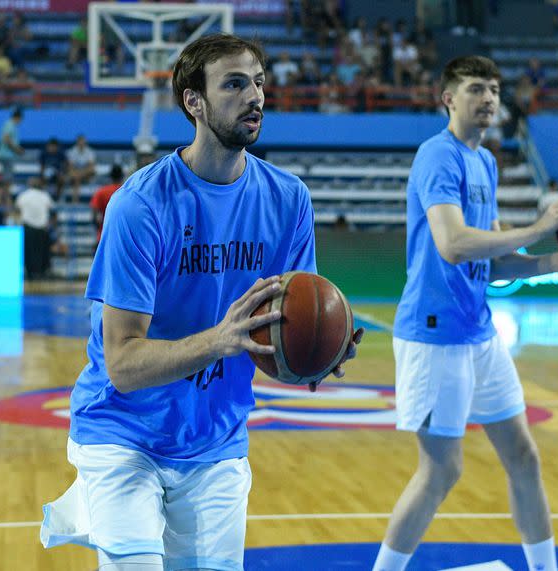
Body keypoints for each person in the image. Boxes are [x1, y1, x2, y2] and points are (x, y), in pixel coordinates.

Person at [40, 33, 362, 571]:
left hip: (216, 441)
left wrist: (316, 355)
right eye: (234, 84)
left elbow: (279, 334)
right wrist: (220, 340)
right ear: (194, 101)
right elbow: (122, 365)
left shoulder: (288, 200)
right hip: (123, 433)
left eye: (259, 82)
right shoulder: (140, 205)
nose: (255, 96)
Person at [372, 56, 558, 571]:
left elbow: (495, 263)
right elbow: (453, 245)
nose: (490, 98)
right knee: (440, 471)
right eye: (477, 88)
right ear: (448, 98)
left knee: (523, 456)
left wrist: (554, 262)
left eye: (495, 89)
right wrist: (539, 228)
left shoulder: (486, 162)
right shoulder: (438, 156)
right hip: (434, 335)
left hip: (478, 332)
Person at [15, 176, 54, 279]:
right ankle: (39, 273)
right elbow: (52, 210)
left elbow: (17, 210)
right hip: (41, 228)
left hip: (29, 228)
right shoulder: (44, 196)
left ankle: (31, 273)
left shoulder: (24, 195)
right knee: (39, 252)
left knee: (29, 252)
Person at [89, 163, 125, 248]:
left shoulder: (101, 192)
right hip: (122, 237)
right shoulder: (126, 191)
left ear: (110, 177)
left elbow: (94, 214)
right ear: (122, 176)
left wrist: (98, 228)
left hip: (104, 235)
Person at [0, 107, 24, 182]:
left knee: (7, 178)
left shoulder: (10, 125)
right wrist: (17, 149)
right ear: (17, 117)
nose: (21, 122)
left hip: (7, 155)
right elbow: (5, 139)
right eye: (21, 119)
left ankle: (4, 192)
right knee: (7, 179)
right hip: (6, 155)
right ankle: (5, 193)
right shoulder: (10, 125)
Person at [65, 134, 97, 203]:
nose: (81, 143)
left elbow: (91, 166)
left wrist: (81, 173)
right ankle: (75, 201)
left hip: (85, 174)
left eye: (83, 141)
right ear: (77, 142)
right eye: (80, 141)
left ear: (85, 142)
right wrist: (78, 173)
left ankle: (92, 202)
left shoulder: (89, 152)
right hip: (75, 174)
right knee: (75, 177)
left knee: (92, 170)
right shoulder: (72, 151)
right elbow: (70, 166)